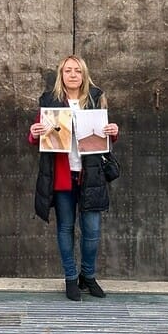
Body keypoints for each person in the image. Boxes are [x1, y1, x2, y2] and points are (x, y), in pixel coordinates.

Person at [28, 55, 119, 301]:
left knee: (92, 231)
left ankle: (87, 277)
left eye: (77, 71)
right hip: (62, 176)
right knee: (65, 228)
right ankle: (70, 278)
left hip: (90, 175)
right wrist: (34, 132)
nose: (72, 75)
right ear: (61, 74)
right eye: (68, 70)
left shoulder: (96, 97)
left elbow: (104, 135)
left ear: (84, 74)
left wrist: (113, 131)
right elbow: (38, 134)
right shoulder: (50, 100)